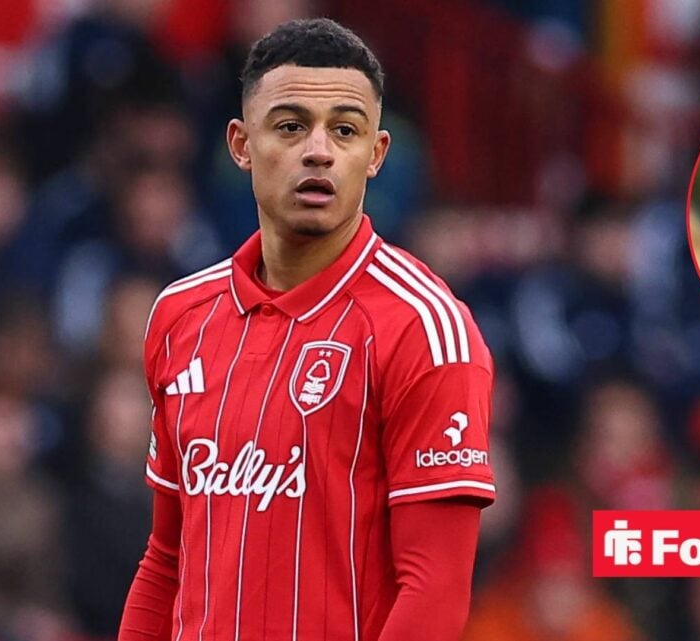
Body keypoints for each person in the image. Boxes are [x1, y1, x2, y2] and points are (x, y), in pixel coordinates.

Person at [118, 18, 495, 641]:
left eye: (344, 130)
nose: (318, 150)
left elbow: (435, 591)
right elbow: (166, 561)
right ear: (241, 145)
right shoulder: (180, 316)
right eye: (290, 126)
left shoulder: (425, 329)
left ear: (375, 155)